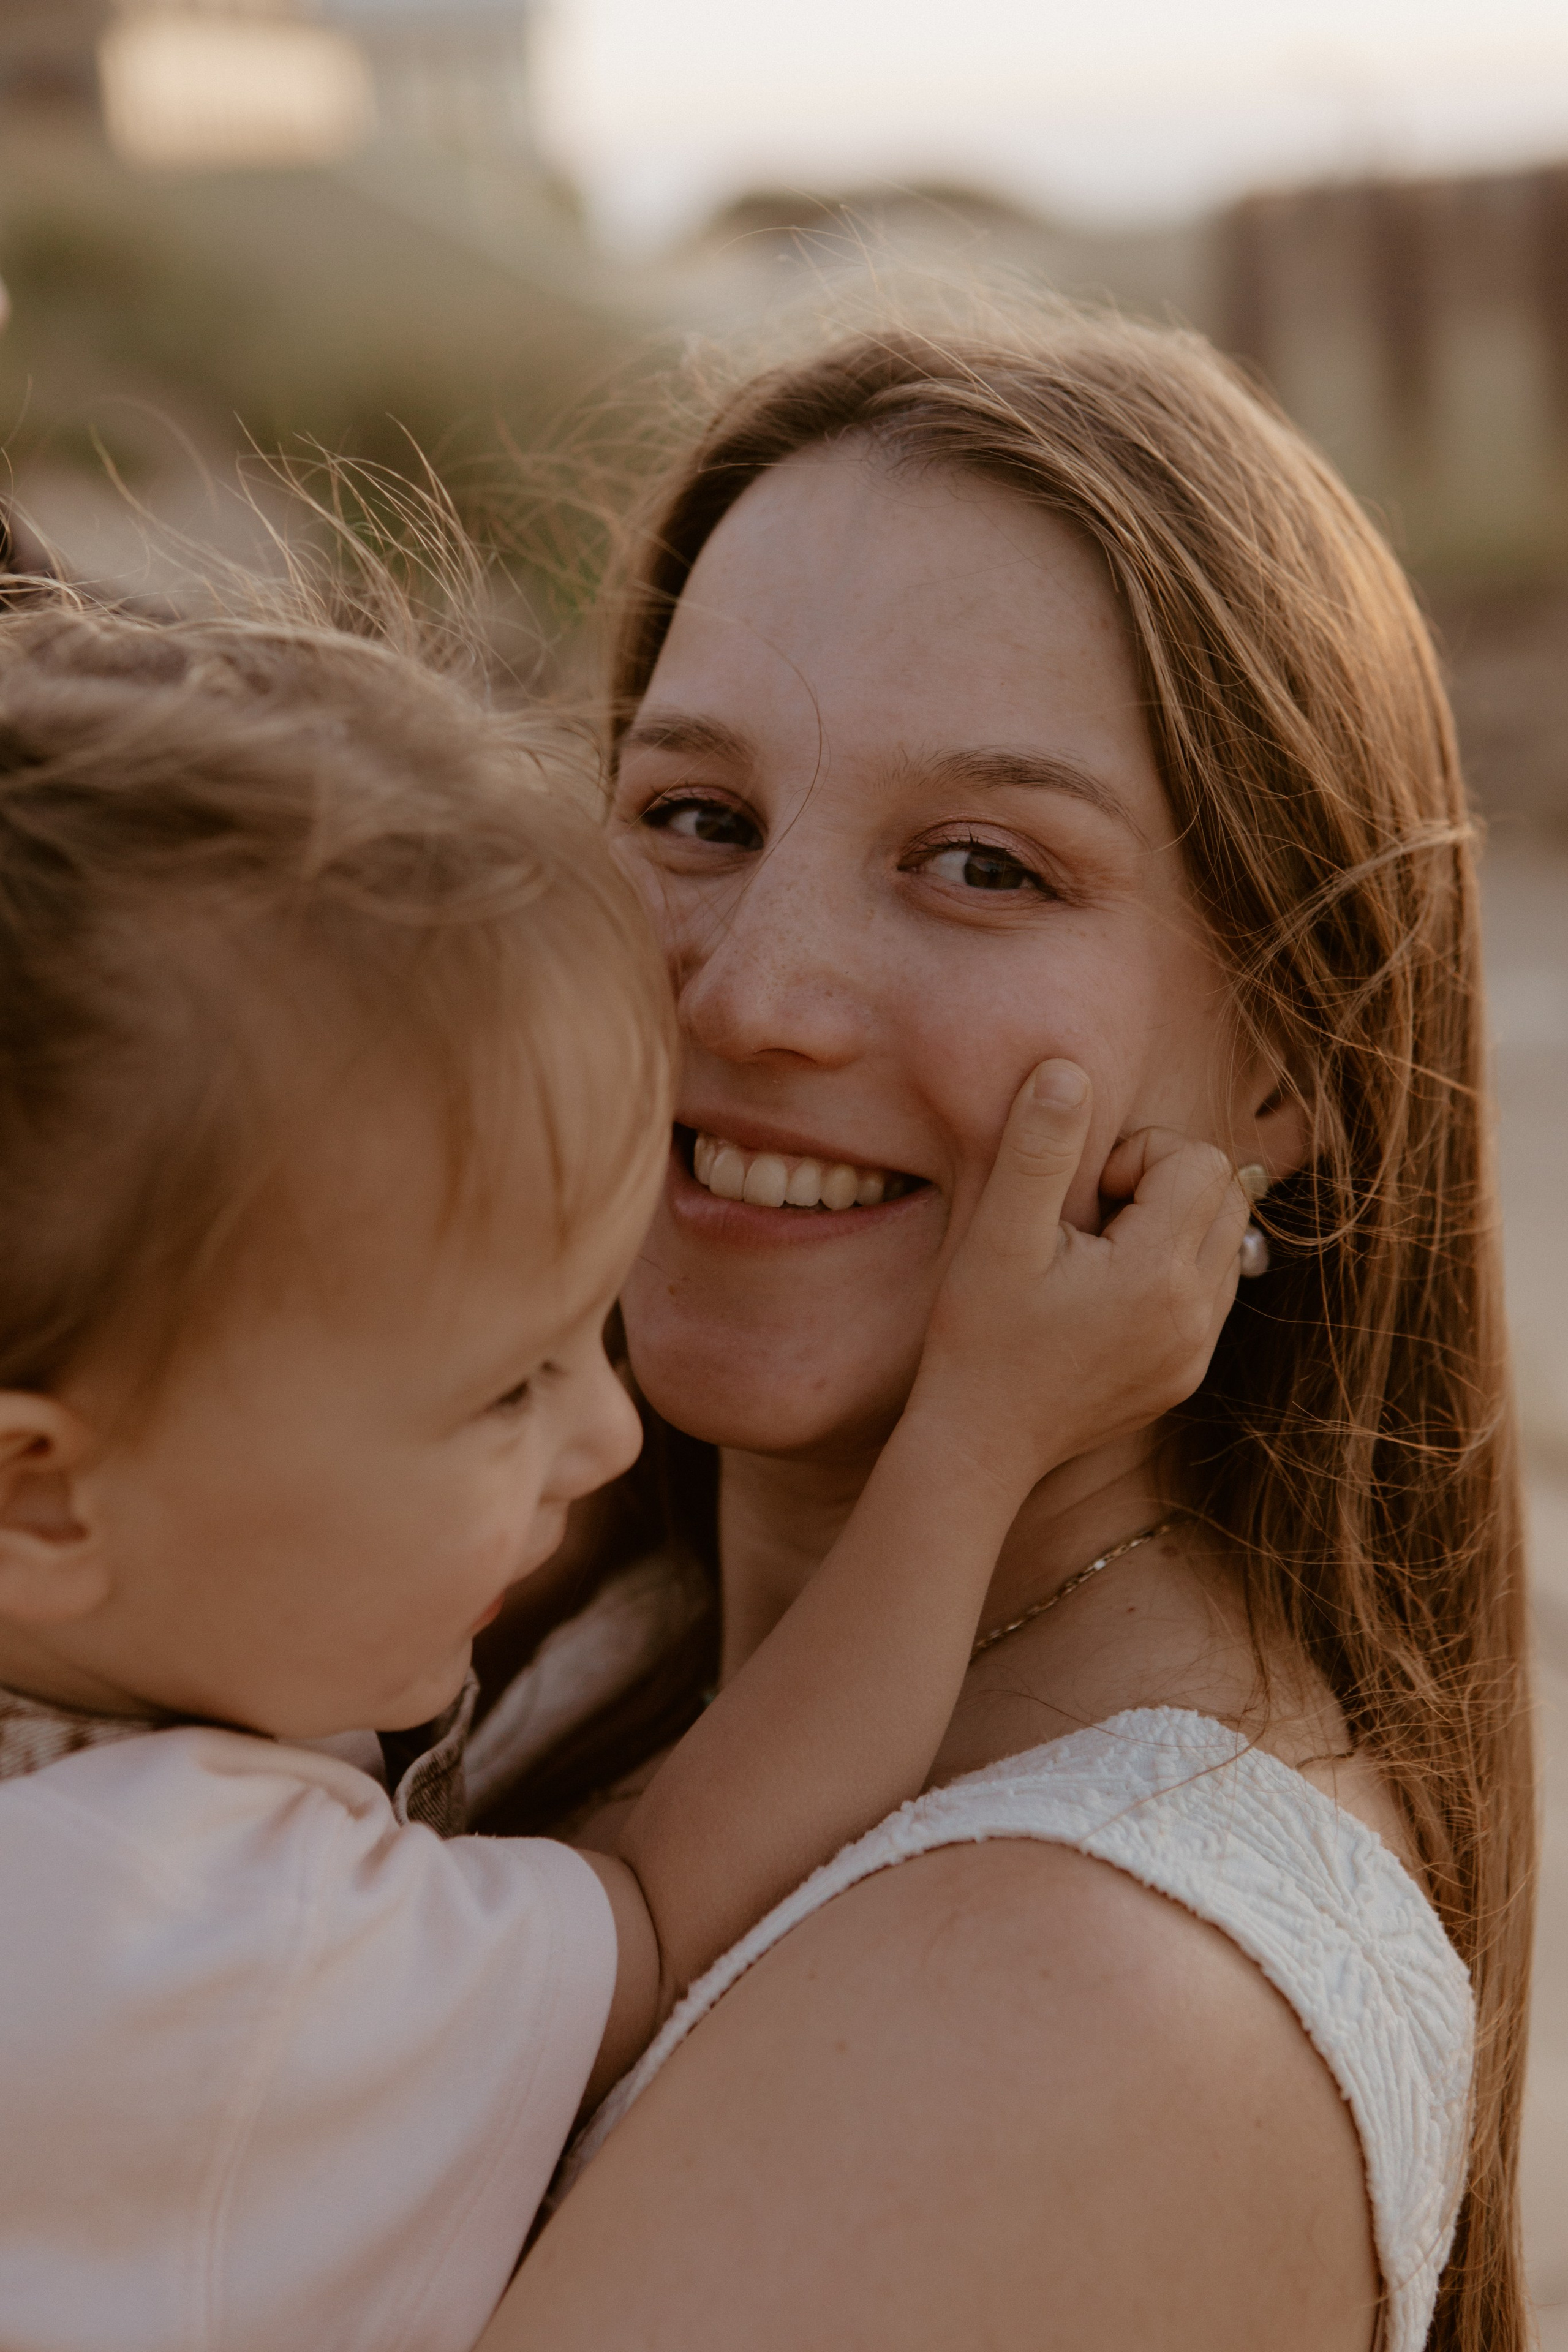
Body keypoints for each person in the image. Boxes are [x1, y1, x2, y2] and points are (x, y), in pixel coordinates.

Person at [0, 588, 1253, 2352]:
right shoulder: (211, 1942)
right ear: (41, 1495)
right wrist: (978, 1441)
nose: (603, 1433)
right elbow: (670, 1902)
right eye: (505, 1389)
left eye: (984, 866)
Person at [475, 315, 1530, 2352]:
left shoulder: (1077, 1999)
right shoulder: (579, 1624)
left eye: (985, 866)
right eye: (696, 815)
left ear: (1297, 1063)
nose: (754, 997)